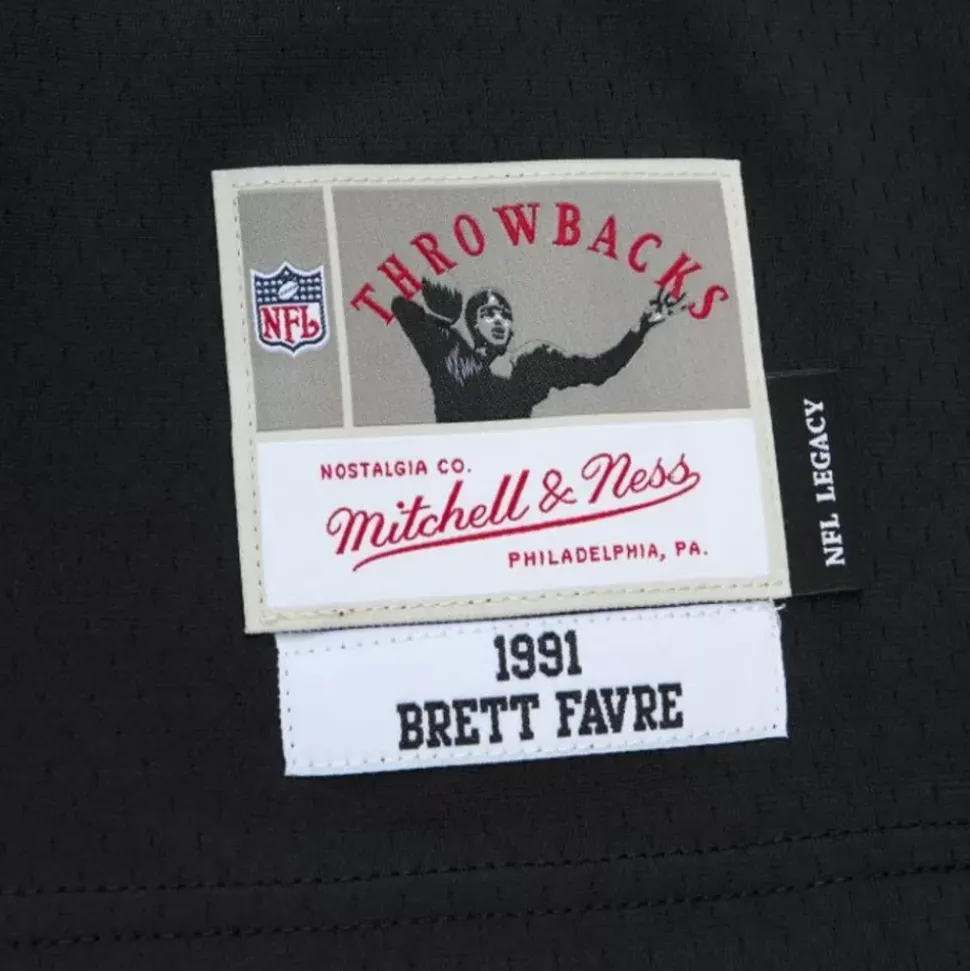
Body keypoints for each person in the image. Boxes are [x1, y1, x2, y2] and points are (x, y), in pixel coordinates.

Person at [390, 280, 686, 423]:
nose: (499, 320)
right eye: (489, 314)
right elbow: (401, 308)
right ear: (473, 323)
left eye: (505, 315)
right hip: (453, 468)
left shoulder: (532, 363)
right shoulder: (451, 352)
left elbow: (600, 370)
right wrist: (442, 319)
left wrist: (641, 327)